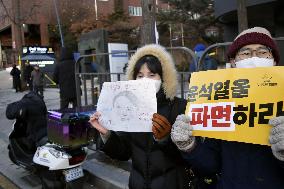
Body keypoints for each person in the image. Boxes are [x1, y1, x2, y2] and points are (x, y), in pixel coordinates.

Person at [171, 27, 284, 189]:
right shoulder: (220, 103)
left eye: (262, 51)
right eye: (245, 53)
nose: (254, 57)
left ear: (274, 60)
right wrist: (190, 146)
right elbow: (210, 166)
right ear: (233, 62)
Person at [89, 44, 190, 189]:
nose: (145, 80)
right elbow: (124, 153)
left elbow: (186, 157)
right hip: (138, 183)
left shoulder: (180, 107)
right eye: (140, 76)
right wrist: (107, 135)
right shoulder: (129, 108)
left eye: (152, 75)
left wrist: (164, 140)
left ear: (164, 77)